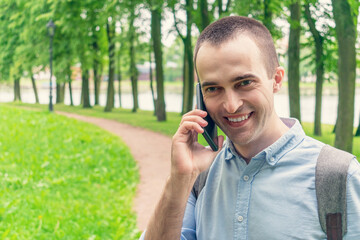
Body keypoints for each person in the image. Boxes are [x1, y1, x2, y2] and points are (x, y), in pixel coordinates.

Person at [140, 16, 360, 239]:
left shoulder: (339, 176)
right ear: (201, 96)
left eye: (244, 83)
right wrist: (179, 178)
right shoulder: (199, 176)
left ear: (276, 79)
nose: (231, 105)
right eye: (213, 88)